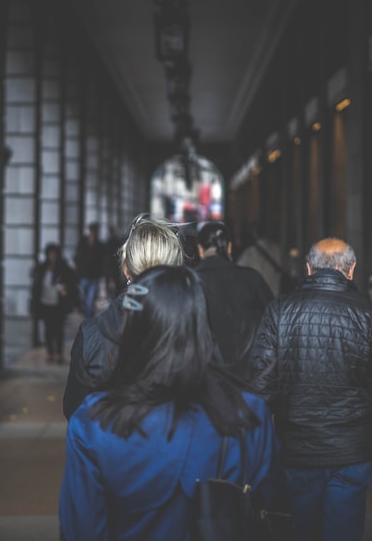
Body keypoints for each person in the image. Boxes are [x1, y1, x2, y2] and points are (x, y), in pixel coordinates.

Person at [59, 266, 285, 540]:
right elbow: (268, 510)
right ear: (201, 327)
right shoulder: (249, 415)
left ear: (133, 331)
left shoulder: (93, 423)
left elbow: (82, 531)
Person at [248, 237, 372, 541]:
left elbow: (260, 386)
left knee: (298, 531)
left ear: (308, 269)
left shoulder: (279, 311)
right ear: (352, 269)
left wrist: (254, 448)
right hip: (351, 453)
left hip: (296, 451)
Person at [62, 213, 184, 419]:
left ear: (126, 269)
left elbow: (74, 410)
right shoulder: (196, 331)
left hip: (109, 447)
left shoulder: (92, 334)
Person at [193, 221, 274, 380]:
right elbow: (272, 322)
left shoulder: (190, 281)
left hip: (204, 378)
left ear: (200, 250)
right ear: (229, 247)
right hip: (247, 375)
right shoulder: (252, 278)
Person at [29, 243, 78, 364]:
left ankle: (59, 353)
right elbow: (36, 286)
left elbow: (70, 286)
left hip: (58, 304)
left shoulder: (63, 269)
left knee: (58, 329)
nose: (52, 257)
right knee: (48, 329)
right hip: (45, 303)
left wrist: (64, 290)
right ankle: (50, 353)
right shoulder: (42, 269)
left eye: (54, 254)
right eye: (50, 254)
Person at [73, 222, 107, 319]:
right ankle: (87, 315)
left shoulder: (99, 245)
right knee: (83, 297)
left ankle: (88, 317)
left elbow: (102, 261)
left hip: (94, 275)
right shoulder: (83, 243)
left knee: (90, 298)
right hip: (83, 274)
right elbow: (77, 257)